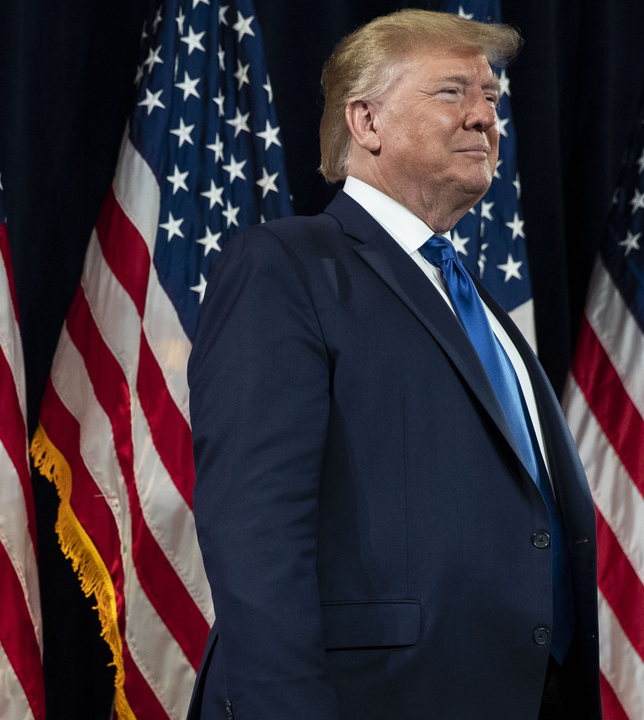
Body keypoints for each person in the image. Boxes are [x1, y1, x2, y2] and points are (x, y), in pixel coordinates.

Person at [186, 9, 600, 719]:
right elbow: (257, 533)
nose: (483, 118)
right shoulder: (287, 268)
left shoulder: (478, 306)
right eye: (452, 93)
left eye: (492, 99)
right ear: (366, 122)